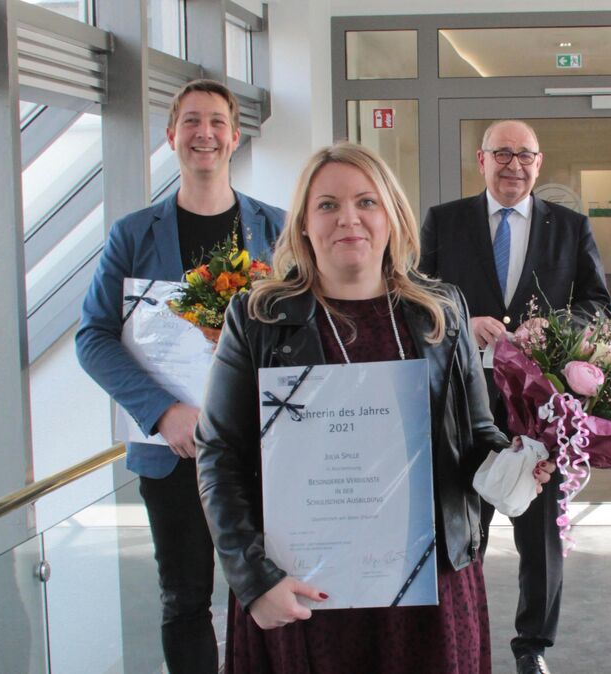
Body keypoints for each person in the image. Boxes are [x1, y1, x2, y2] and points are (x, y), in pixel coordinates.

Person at [194, 142, 554, 673]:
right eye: (327, 205)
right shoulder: (258, 318)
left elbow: (476, 431)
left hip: (426, 588)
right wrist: (253, 581)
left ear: (392, 217)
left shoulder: (439, 311)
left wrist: (516, 461)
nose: (348, 219)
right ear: (303, 223)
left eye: (367, 202)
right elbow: (219, 454)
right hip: (302, 590)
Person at [75, 79, 284, 673]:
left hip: (264, 448)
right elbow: (91, 338)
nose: (205, 133)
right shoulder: (132, 236)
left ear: (235, 136)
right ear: (171, 137)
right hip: (173, 453)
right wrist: (164, 411)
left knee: (268, 589)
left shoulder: (276, 228)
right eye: (191, 121)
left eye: (217, 122)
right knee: (185, 599)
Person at [419, 119, 611, 674]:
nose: (513, 165)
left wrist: (550, 331)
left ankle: (532, 647)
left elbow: (597, 302)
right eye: (501, 153)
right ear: (480, 161)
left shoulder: (570, 226)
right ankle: (464, 629)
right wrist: (462, 318)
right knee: (462, 522)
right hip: (463, 398)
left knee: (541, 531)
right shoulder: (445, 221)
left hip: (539, 406)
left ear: (539, 160)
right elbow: (418, 295)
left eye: (524, 154)